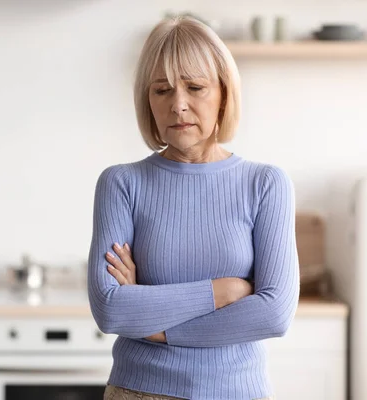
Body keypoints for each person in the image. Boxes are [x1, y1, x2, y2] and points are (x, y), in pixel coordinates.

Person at [88, 16, 299, 400]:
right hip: (138, 391)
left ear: (224, 93)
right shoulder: (121, 183)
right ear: (146, 100)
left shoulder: (265, 184)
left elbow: (274, 313)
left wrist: (156, 327)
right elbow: (111, 310)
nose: (178, 105)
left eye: (195, 88)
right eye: (162, 90)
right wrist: (225, 291)